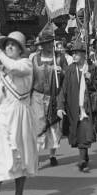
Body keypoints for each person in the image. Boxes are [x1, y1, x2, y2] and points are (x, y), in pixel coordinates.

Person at [0, 31, 37, 195]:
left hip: (20, 115)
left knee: (19, 157)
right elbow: (0, 93)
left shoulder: (26, 63)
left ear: (21, 49)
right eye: (7, 45)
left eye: (13, 45)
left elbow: (15, 69)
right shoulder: (0, 70)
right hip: (3, 117)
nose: (9, 48)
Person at [57, 39, 97, 172]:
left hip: (88, 106)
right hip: (73, 105)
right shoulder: (71, 69)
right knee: (78, 133)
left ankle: (82, 159)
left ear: (83, 54)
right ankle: (84, 156)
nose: (74, 56)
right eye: (73, 53)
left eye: (77, 53)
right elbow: (64, 89)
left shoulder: (92, 68)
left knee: (85, 131)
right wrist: (60, 106)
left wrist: (89, 79)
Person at [31, 27, 65, 167]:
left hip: (54, 96)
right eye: (47, 43)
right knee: (38, 126)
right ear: (41, 45)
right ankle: (36, 156)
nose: (50, 45)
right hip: (37, 97)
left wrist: (61, 71)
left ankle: (52, 155)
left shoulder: (59, 58)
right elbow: (29, 78)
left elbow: (67, 78)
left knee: (54, 127)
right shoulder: (34, 59)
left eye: (51, 42)